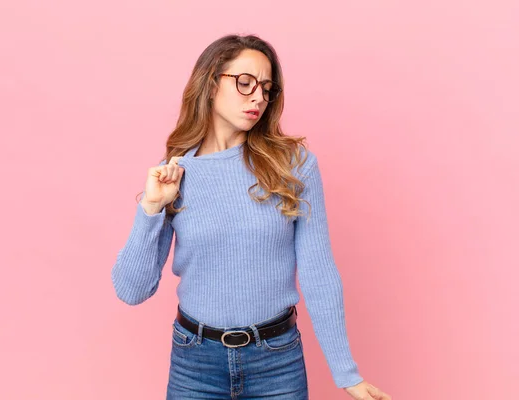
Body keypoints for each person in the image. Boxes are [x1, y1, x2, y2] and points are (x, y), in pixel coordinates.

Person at [111, 34, 392, 400]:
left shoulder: (294, 166)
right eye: (245, 83)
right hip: (194, 363)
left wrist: (346, 373)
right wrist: (151, 208)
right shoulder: (176, 173)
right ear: (211, 83)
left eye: (266, 87)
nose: (258, 96)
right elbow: (131, 290)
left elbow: (318, 271)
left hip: (276, 361)